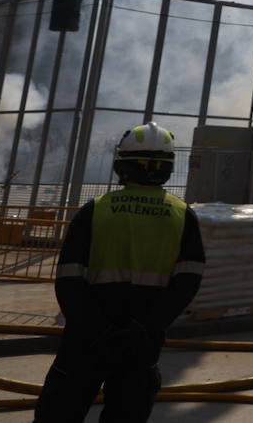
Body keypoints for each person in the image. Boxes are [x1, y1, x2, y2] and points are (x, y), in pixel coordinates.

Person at [35, 122, 205, 423]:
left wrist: (97, 329)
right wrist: (145, 328)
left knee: (59, 414)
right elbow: (186, 284)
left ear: (121, 165)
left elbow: (69, 280)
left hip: (86, 341)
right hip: (141, 344)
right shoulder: (183, 216)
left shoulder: (95, 210)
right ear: (168, 169)